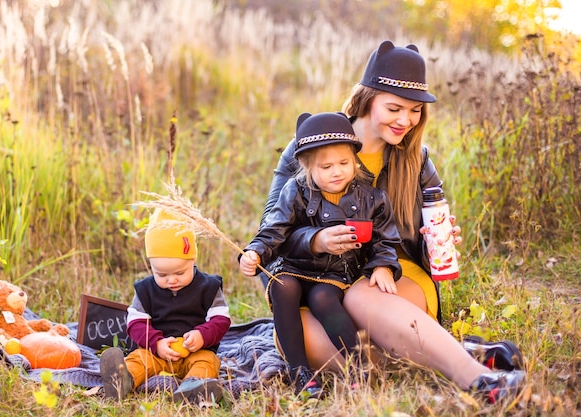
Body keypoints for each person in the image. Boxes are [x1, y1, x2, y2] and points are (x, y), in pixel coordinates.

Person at [259, 40, 525, 403]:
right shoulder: (313, 145)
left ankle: (480, 380)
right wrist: (316, 241)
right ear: (368, 99)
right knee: (323, 350)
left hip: (389, 278)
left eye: (415, 110)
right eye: (394, 107)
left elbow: (425, 249)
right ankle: (466, 350)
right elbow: (270, 232)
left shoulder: (416, 160)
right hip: (321, 282)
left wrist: (437, 242)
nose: (406, 120)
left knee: (359, 298)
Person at [240, 111, 402, 398]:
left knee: (322, 297)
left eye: (344, 163)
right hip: (294, 265)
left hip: (335, 272)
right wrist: (255, 251)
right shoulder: (295, 191)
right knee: (283, 286)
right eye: (326, 166)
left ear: (355, 159)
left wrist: (383, 266)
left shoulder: (372, 198)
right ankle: (300, 371)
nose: (337, 171)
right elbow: (275, 228)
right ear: (307, 168)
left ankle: (358, 367)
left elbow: (385, 240)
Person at [100, 208, 231, 405]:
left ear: (193, 259)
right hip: (157, 353)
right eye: (161, 275)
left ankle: (195, 387)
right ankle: (122, 380)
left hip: (196, 352)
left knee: (208, 362)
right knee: (139, 358)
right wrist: (156, 343)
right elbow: (136, 323)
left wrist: (202, 335)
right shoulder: (145, 290)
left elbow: (221, 320)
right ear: (151, 265)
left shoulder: (208, 287)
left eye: (179, 272)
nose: (171, 280)